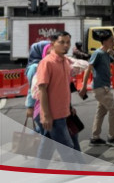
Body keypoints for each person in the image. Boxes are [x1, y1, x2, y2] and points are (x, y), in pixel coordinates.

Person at [35, 31, 80, 167]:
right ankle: (75, 176)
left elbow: (63, 88)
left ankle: (38, 172)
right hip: (53, 116)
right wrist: (46, 115)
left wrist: (69, 107)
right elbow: (42, 89)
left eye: (68, 42)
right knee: (68, 149)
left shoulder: (66, 61)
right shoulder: (47, 63)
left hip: (63, 112)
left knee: (46, 150)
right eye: (61, 42)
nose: (65, 45)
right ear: (53, 44)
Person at [79, 31, 114, 147]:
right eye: (111, 40)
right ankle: (112, 137)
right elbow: (88, 69)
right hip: (101, 88)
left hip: (104, 86)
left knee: (101, 112)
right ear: (104, 42)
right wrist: (84, 86)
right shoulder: (98, 53)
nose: (113, 42)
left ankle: (95, 137)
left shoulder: (106, 53)